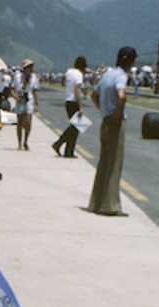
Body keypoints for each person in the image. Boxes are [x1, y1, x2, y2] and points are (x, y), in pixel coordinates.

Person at [88, 46, 135, 216]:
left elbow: (94, 95)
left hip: (105, 120)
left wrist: (103, 110)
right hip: (115, 122)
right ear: (130, 61)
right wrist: (117, 113)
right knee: (114, 163)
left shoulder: (107, 74)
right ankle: (110, 205)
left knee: (103, 162)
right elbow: (121, 95)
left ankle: (96, 202)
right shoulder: (122, 75)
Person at [52, 56, 87, 157]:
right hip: (74, 101)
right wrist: (81, 107)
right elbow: (77, 90)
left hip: (67, 100)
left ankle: (69, 151)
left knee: (76, 127)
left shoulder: (69, 71)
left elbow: (63, 81)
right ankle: (58, 143)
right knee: (75, 126)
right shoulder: (79, 74)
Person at [12, 59, 39, 150]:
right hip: (20, 99)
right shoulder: (17, 77)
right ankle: (19, 143)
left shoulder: (34, 77)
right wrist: (15, 97)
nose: (30, 69)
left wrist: (36, 103)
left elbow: (34, 91)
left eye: (31, 67)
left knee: (28, 122)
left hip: (29, 100)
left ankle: (25, 141)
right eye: (28, 67)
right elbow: (12, 89)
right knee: (19, 122)